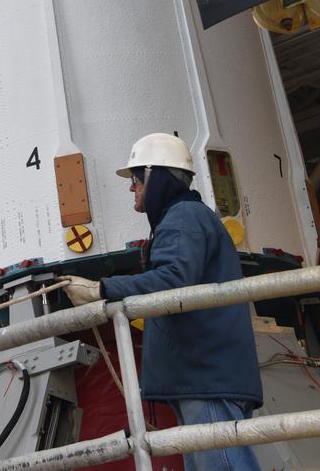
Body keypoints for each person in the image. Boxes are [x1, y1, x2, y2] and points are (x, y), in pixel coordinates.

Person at [62, 133, 263, 471]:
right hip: (202, 375)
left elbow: (172, 280)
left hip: (204, 378)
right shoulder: (188, 218)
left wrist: (101, 290)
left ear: (156, 179)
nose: (131, 188)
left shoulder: (183, 218)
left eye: (136, 178)